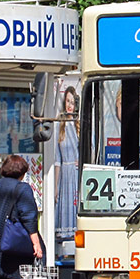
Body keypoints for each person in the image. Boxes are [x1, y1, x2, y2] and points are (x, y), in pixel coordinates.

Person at [54, 85, 79, 241]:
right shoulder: (59, 125)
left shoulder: (80, 125)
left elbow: (90, 150)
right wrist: (56, 185)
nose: (70, 105)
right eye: (67, 101)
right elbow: (57, 159)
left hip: (76, 173)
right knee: (64, 207)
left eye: (72, 102)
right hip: (64, 173)